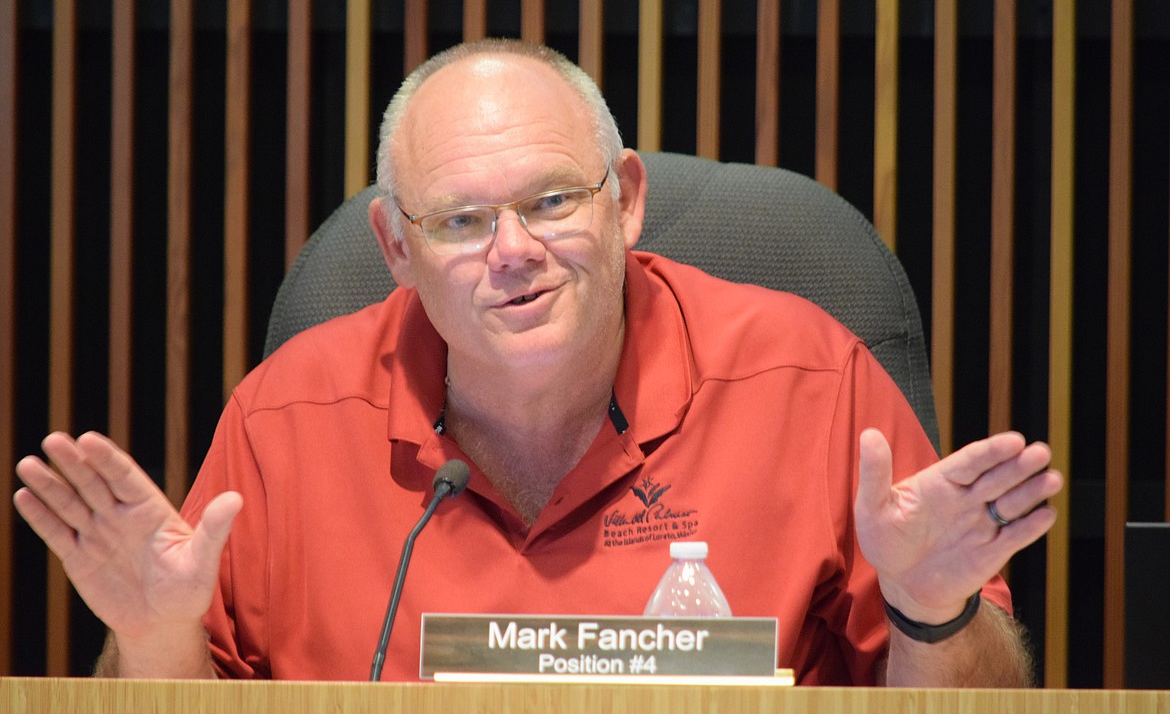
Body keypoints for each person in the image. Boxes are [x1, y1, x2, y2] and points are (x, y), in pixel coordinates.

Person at [14, 39, 1063, 686]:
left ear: (629, 200)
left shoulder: (812, 380)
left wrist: (934, 609)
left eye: (554, 200)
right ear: (394, 248)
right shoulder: (287, 415)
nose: (514, 250)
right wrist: (153, 637)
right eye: (463, 219)